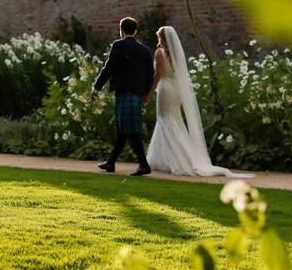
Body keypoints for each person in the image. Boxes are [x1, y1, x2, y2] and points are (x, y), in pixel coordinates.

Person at [144, 26, 252, 177]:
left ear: (162, 38)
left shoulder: (159, 52)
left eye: (159, 38)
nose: (158, 41)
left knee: (164, 120)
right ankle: (165, 159)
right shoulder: (176, 55)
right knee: (174, 120)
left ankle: (179, 160)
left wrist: (149, 93)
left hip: (166, 89)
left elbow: (158, 74)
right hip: (176, 90)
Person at [91, 16, 155, 176]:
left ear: (121, 30)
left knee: (131, 130)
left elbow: (109, 68)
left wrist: (96, 87)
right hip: (138, 94)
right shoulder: (145, 50)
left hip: (125, 93)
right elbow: (150, 75)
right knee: (122, 129)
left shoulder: (118, 46)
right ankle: (111, 163)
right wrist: (146, 94)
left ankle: (144, 165)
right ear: (136, 31)